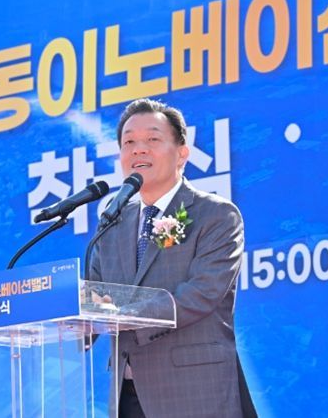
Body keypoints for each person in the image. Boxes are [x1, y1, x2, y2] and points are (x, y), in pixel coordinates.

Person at [89, 99, 257, 418]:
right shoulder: (112, 223)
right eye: (129, 142)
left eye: (152, 139)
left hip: (193, 392)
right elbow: (94, 296)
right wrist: (78, 318)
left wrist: (126, 315)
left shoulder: (216, 215)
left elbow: (201, 293)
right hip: (127, 397)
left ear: (182, 154)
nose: (139, 149)